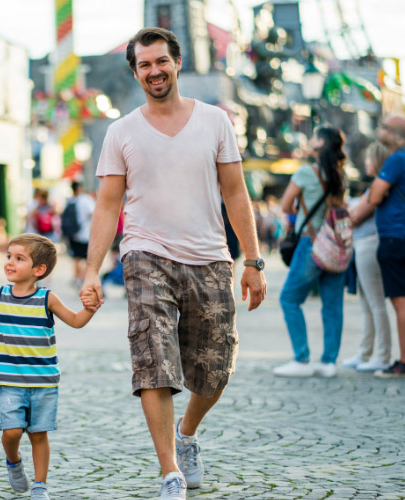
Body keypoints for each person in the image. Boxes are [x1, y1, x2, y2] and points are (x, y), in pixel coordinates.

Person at [80, 27, 266, 500]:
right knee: (153, 360)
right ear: (136, 71)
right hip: (145, 254)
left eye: (161, 61)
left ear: (176, 62)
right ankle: (169, 472)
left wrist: (253, 259)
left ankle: (186, 434)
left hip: (208, 257)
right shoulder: (121, 132)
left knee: (215, 367)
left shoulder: (215, 121)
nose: (154, 71)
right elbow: (107, 207)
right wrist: (91, 271)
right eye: (144, 65)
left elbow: (235, 192)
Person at [0, 233, 97, 500]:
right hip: (11, 382)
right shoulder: (1, 294)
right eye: (9, 256)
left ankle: (40, 485)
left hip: (44, 383)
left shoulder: (47, 298)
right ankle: (14, 461)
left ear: (38, 270)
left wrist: (91, 307)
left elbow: (76, 321)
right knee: (11, 433)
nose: (9, 262)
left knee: (39, 435)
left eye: (19, 258)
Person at [273, 126, 348, 378]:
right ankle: (329, 362)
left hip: (312, 242)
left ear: (320, 144)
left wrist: (302, 207)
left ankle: (302, 358)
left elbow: (285, 204)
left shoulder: (306, 172)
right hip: (335, 244)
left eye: (314, 136)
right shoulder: (340, 173)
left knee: (289, 299)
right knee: (332, 304)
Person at [362, 114, 405, 378]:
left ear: (396, 135)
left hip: (397, 236)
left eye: (384, 127)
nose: (380, 130)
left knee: (401, 301)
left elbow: (376, 195)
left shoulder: (397, 158)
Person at [344, 142, 393, 372]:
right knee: (367, 302)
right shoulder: (374, 185)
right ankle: (366, 352)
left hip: (369, 244)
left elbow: (355, 215)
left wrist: (349, 210)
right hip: (364, 244)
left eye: (369, 159)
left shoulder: (377, 186)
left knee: (375, 302)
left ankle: (381, 355)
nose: (366, 163)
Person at [64, 181, 95, 287]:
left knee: (76, 258)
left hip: (73, 233)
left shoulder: (71, 200)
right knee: (86, 259)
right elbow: (93, 213)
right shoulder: (85, 199)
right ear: (80, 188)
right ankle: (81, 278)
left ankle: (77, 277)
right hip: (85, 234)